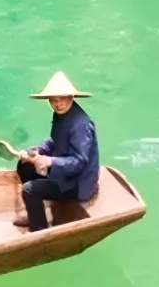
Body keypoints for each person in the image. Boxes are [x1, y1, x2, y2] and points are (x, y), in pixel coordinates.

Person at [12, 72, 100, 232]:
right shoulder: (62, 115)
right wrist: (38, 150)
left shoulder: (81, 125)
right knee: (24, 166)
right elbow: (55, 139)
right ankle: (34, 214)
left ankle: (39, 230)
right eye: (54, 100)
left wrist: (50, 161)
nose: (58, 104)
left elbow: (80, 162)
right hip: (66, 173)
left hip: (80, 183)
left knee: (29, 190)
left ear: (71, 97)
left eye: (62, 99)